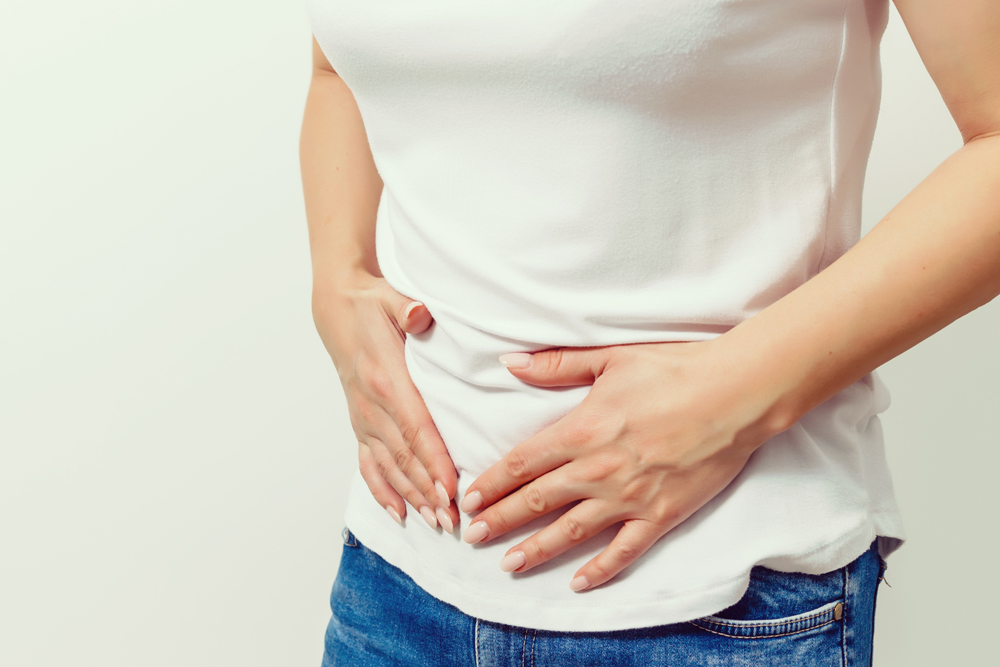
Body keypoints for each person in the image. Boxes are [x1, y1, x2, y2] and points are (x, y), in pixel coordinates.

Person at [299, 0, 1000, 664]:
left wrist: (726, 398)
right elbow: (340, 66)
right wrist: (337, 278)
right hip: (395, 584)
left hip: (724, 598)